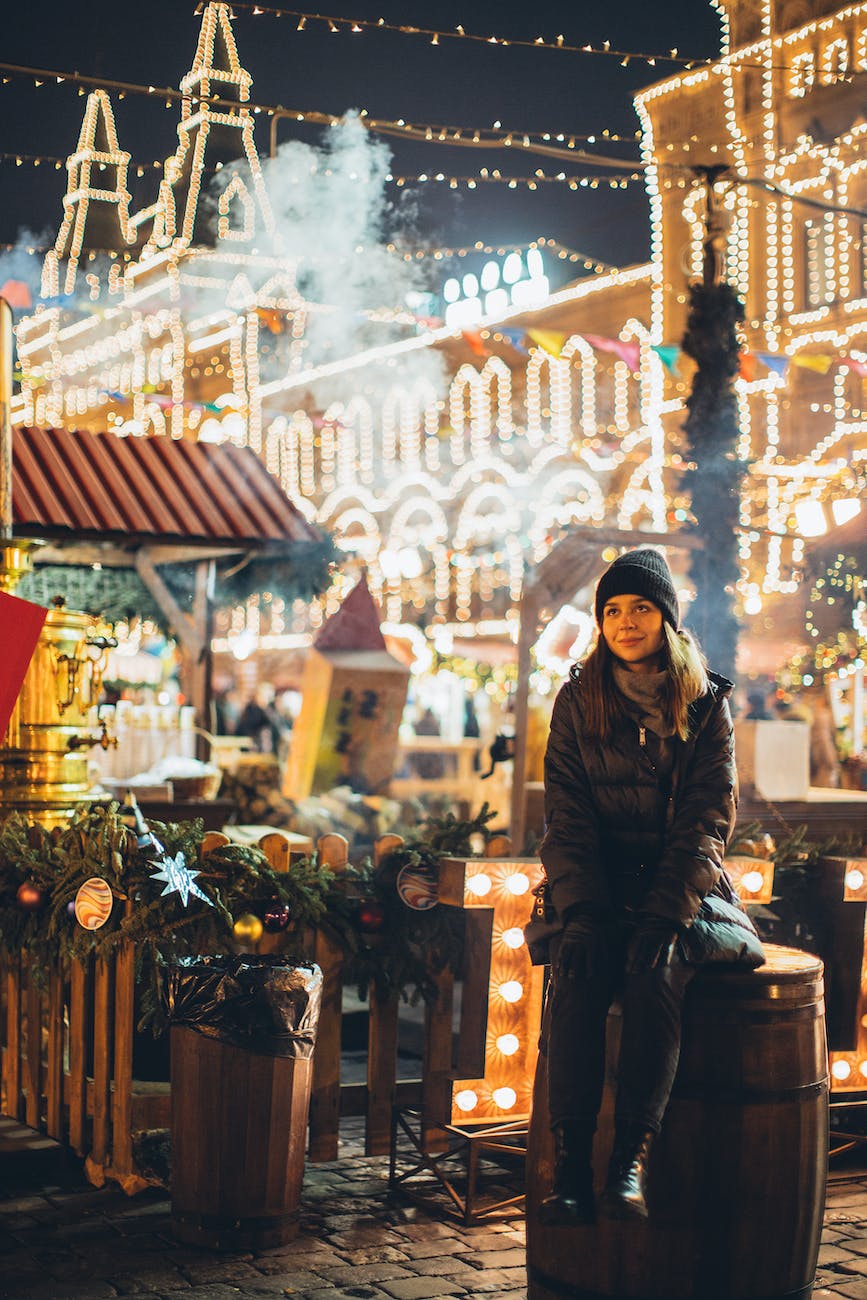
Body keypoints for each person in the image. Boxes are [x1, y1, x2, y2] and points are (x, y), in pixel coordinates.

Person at [538, 548, 738, 1226]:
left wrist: (665, 915)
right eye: (613, 610)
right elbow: (565, 816)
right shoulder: (576, 700)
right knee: (577, 977)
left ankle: (627, 1163)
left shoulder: (703, 704)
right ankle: (569, 1166)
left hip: (678, 889)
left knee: (656, 977)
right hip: (595, 886)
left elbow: (706, 819)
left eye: (641, 608)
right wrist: (584, 910)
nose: (625, 622)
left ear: (666, 619)